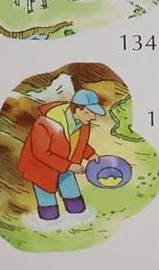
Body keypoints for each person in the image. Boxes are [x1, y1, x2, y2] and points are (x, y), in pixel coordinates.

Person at [18, 80, 103, 223]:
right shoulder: (45, 124)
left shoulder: (82, 122)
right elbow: (41, 153)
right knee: (48, 203)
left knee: (74, 197)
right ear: (77, 110)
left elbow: (78, 142)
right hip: (41, 168)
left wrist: (90, 154)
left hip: (66, 165)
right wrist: (68, 165)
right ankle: (49, 224)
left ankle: (78, 219)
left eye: (93, 113)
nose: (92, 117)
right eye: (88, 113)